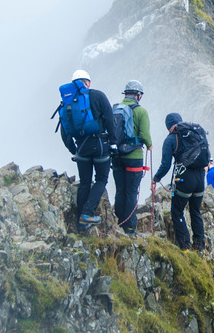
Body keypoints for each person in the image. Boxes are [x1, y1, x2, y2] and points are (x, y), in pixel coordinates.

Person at [59, 70, 117, 232]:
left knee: (84, 182)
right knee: (101, 179)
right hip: (99, 146)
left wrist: (74, 149)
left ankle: (80, 222)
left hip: (81, 149)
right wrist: (113, 143)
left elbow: (65, 133)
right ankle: (87, 213)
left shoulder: (67, 102)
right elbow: (109, 120)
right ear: (88, 82)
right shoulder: (98, 96)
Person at [151, 113, 208, 252]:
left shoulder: (171, 139)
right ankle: (200, 247)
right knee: (195, 211)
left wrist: (155, 179)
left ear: (168, 126)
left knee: (177, 211)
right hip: (201, 178)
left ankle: (185, 247)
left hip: (185, 179)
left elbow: (165, 165)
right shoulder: (195, 133)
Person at [111, 80, 152, 235]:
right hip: (134, 156)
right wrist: (150, 145)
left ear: (125, 94)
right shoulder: (141, 112)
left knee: (120, 189)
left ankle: (119, 220)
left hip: (116, 155)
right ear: (138, 95)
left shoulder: (115, 109)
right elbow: (145, 135)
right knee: (132, 191)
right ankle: (129, 226)